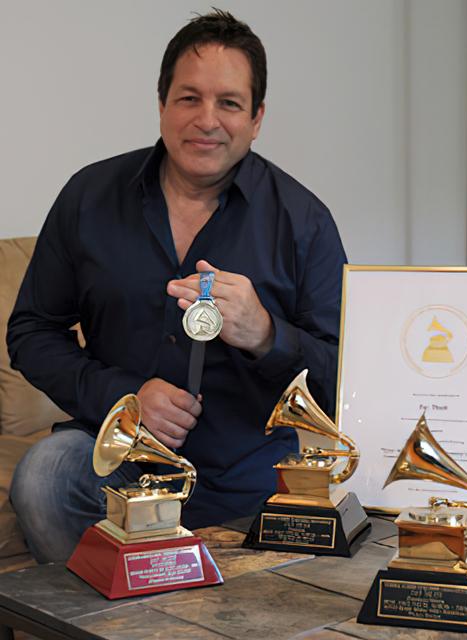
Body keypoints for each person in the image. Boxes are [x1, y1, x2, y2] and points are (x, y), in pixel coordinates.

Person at [7, 8, 347, 563]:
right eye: (189, 98)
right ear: (162, 103)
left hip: (250, 470)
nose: (206, 120)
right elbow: (31, 332)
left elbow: (345, 379)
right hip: (115, 457)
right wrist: (126, 398)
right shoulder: (88, 197)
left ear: (257, 118)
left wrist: (266, 335)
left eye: (229, 103)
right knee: (43, 476)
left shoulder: (304, 222)